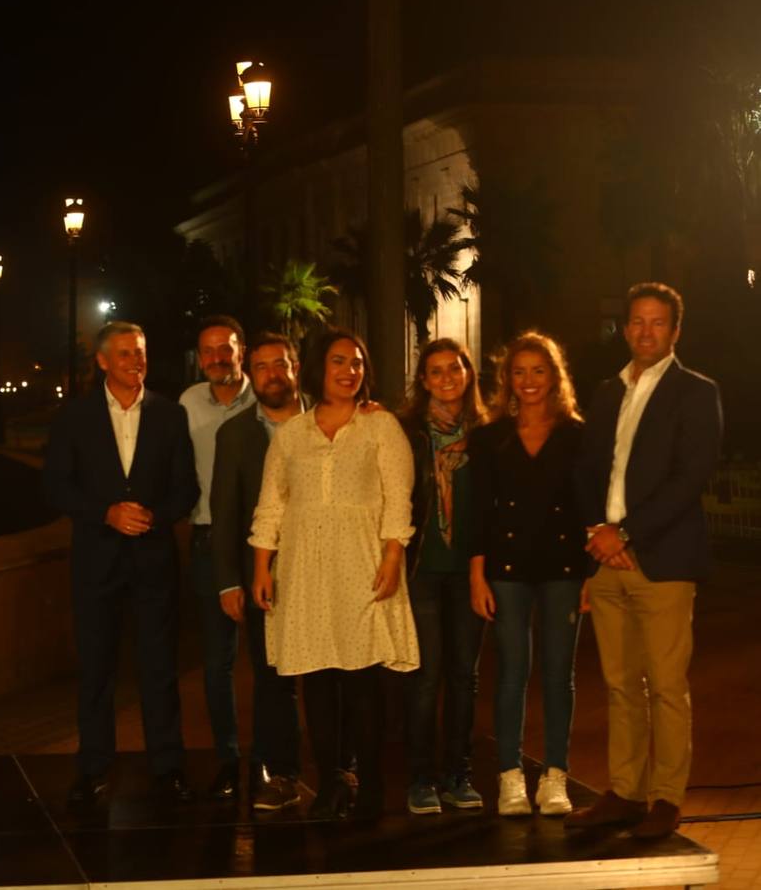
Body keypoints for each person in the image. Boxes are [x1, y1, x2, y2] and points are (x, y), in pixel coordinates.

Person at [568, 283, 722, 839]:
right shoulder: (607, 392)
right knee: (618, 684)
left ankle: (665, 799)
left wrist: (625, 535)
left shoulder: (696, 393)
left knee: (665, 684)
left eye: (658, 322)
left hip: (661, 561)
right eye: (637, 321)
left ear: (675, 331)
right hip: (604, 561)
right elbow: (587, 469)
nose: (646, 331)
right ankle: (625, 793)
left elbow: (688, 480)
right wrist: (597, 535)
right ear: (625, 327)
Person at [249, 329, 417, 821]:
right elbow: (271, 504)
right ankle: (329, 782)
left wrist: (390, 557)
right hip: (303, 568)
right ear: (318, 368)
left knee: (363, 683)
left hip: (362, 564)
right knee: (317, 683)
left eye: (358, 362)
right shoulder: (291, 434)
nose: (350, 371)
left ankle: (369, 786)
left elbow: (397, 496)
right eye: (339, 361)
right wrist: (262, 566)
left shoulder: (380, 425)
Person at [44, 321, 199, 804]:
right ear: (104, 361)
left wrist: (153, 517)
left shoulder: (170, 416)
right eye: (127, 353)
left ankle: (168, 766)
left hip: (154, 562)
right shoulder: (75, 417)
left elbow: (187, 490)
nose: (137, 361)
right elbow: (56, 487)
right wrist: (106, 513)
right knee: (96, 670)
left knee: (159, 669)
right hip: (97, 563)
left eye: (142, 353)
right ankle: (93, 769)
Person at [468, 331, 589, 817]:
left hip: (564, 566)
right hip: (508, 567)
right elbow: (478, 512)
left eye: (539, 370)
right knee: (512, 671)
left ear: (555, 376)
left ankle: (555, 775)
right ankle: (510, 777)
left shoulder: (578, 434)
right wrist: (478, 576)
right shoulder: (489, 437)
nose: (529, 380)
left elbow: (588, 506)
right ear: (507, 379)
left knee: (560, 675)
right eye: (519, 371)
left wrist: (590, 576)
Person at [209, 332, 306, 811]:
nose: (272, 373)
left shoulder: (331, 423)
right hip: (262, 577)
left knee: (334, 676)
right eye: (262, 365)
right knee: (273, 679)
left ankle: (340, 769)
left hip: (325, 571)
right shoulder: (235, 434)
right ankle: (281, 774)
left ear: (295, 368)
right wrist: (230, 580)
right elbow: (223, 515)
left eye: (280, 364)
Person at [398, 338, 489, 815]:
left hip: (470, 572)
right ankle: (421, 778)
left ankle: (459, 774)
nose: (446, 378)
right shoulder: (407, 431)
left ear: (468, 373)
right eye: (435, 371)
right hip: (423, 571)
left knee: (465, 677)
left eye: (454, 368)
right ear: (423, 380)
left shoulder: (488, 432)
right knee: (426, 676)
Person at [178, 315, 254, 799]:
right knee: (216, 662)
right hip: (208, 541)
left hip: (265, 542)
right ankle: (229, 759)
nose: (217, 358)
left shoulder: (269, 398)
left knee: (275, 662)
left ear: (240, 350)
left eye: (225, 348)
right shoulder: (187, 404)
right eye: (208, 351)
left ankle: (272, 760)